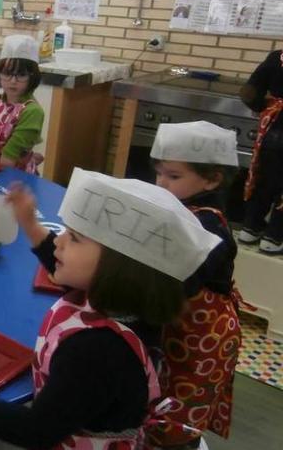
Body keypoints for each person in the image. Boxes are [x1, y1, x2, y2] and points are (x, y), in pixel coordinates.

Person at [0, 168, 220, 449]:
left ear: (118, 269)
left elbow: (36, 430)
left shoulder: (96, 351)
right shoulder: (122, 301)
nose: (59, 241)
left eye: (74, 238)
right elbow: (61, 264)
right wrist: (31, 224)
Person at [149, 121, 242, 447]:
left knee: (183, 407)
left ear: (212, 179)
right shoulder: (180, 205)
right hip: (178, 323)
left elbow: (183, 282)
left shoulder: (209, 225)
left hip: (204, 333)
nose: (161, 183)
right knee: (162, 389)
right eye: (159, 173)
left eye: (173, 176)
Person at [0, 34, 45, 174]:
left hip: (13, 177)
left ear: (32, 77)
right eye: (7, 73)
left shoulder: (32, 111)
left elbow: (9, 156)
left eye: (21, 75)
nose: (13, 81)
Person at [239, 49, 283, 254]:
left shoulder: (278, 57)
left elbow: (249, 91)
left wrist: (263, 107)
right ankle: (274, 238)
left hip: (272, 131)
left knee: (264, 179)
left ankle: (250, 228)